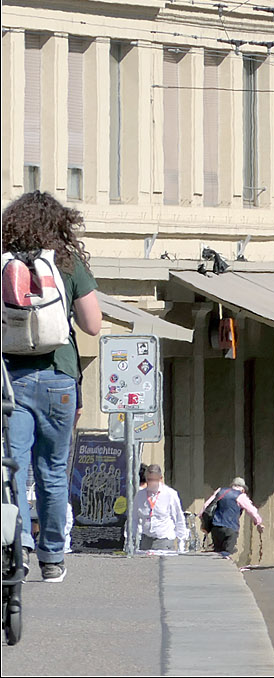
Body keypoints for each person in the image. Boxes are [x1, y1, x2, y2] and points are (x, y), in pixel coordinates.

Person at [3, 191, 102, 583]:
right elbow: (93, 324)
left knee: (14, 467)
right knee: (54, 470)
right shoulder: (67, 262)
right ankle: (53, 558)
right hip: (60, 376)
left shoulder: (4, 263)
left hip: (10, 378)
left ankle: (18, 545)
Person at [202, 477, 265, 557]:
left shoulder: (220, 491)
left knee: (217, 552)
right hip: (230, 528)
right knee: (227, 552)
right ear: (243, 489)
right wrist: (258, 523)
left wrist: (204, 521)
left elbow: (206, 506)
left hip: (216, 527)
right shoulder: (240, 496)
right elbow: (252, 510)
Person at [132, 465, 187, 552]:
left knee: (162, 565)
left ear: (160, 479)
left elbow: (179, 518)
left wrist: (181, 542)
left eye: (154, 480)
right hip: (146, 539)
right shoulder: (140, 495)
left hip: (164, 540)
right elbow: (134, 519)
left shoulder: (170, 494)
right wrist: (132, 538)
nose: (151, 483)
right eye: (149, 480)